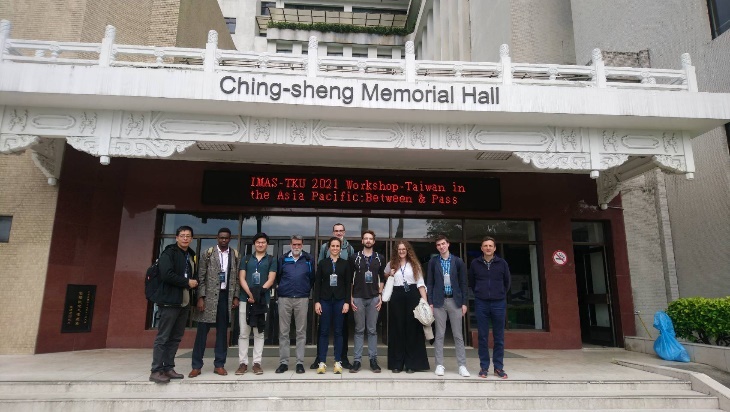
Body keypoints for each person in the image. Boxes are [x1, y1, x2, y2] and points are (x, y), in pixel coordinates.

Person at [149, 226, 199, 384]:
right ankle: (156, 370)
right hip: (170, 301)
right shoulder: (169, 252)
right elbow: (166, 274)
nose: (185, 238)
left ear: (191, 239)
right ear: (176, 237)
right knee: (163, 337)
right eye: (182, 235)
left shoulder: (191, 255)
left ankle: (168, 368)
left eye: (188, 236)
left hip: (184, 301)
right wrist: (187, 282)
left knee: (176, 337)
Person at [188, 228, 240, 378]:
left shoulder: (235, 255)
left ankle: (219, 365)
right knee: (201, 333)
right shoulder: (208, 253)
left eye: (226, 238)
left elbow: (236, 278)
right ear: (217, 238)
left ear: (230, 239)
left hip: (225, 298)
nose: (223, 240)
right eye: (221, 238)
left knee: (222, 333)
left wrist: (235, 296)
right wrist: (200, 297)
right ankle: (196, 366)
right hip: (208, 298)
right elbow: (201, 276)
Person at [311, 223, 355, 369]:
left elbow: (349, 283)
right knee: (323, 331)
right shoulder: (323, 263)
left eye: (337, 246)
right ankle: (321, 361)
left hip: (340, 300)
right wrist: (317, 301)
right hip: (324, 300)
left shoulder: (345, 263)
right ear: (328, 247)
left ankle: (338, 360)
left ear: (340, 247)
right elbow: (317, 283)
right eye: (333, 246)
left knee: (338, 331)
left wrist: (347, 302)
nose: (335, 248)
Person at [427, 235, 470, 377]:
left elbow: (464, 283)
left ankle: (462, 365)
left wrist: (464, 303)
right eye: (438, 245)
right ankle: (439, 365)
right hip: (439, 302)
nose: (441, 246)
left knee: (458, 335)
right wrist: (430, 302)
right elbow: (430, 283)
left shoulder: (458, 262)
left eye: (443, 244)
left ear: (448, 244)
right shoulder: (433, 262)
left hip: (455, 301)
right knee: (439, 334)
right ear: (436, 247)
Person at [468, 236, 511, 379]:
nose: (488, 248)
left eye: (490, 246)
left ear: (494, 248)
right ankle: (484, 367)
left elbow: (507, 282)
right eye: (485, 245)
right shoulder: (475, 263)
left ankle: (498, 367)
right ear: (481, 248)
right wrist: (480, 293)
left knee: (499, 337)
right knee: (483, 337)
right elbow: (472, 282)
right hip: (481, 303)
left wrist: (499, 294)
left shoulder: (502, 263)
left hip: (499, 303)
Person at [385, 240, 429, 373]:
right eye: (399, 249)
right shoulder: (391, 264)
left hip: (412, 295)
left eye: (404, 249)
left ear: (408, 250)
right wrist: (390, 274)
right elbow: (385, 274)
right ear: (396, 251)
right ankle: (397, 363)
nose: (401, 251)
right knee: (397, 329)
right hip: (397, 296)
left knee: (412, 330)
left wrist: (425, 302)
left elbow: (420, 283)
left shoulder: (414, 264)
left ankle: (411, 364)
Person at [236, 232, 277, 376]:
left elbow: (271, 279)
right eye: (258, 242)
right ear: (254, 244)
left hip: (262, 301)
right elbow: (241, 278)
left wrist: (258, 294)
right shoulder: (246, 259)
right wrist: (250, 294)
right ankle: (243, 363)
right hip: (245, 300)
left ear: (267, 244)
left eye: (263, 242)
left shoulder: (271, 260)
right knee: (243, 333)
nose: (261, 244)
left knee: (259, 333)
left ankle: (257, 363)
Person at [275, 235, 315, 374]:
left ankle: (299, 363)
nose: (296, 247)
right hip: (284, 298)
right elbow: (278, 277)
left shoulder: (309, 259)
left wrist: (304, 290)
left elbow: (312, 278)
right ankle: (284, 363)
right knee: (284, 332)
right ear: (290, 245)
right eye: (294, 244)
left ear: (302, 245)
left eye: (299, 244)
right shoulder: (283, 258)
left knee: (301, 332)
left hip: (302, 299)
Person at [349, 230, 385, 373]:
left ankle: (373, 360)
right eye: (366, 238)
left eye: (370, 239)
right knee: (358, 330)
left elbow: (382, 278)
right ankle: (357, 361)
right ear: (362, 241)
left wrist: (380, 295)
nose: (368, 241)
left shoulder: (379, 257)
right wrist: (351, 297)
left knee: (372, 330)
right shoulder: (355, 257)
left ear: (374, 241)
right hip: (358, 297)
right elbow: (350, 279)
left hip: (374, 298)